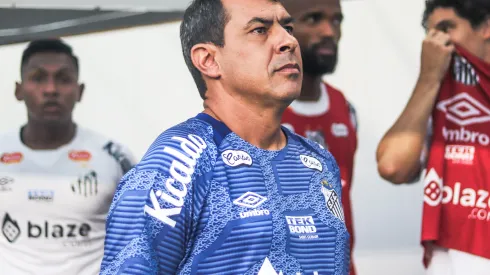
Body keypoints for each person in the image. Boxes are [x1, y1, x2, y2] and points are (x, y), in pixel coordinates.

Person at [99, 0, 350, 274]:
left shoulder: (318, 160)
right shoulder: (178, 159)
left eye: (288, 27)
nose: (288, 41)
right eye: (259, 30)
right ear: (209, 60)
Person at [0, 39, 135, 275]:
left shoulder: (115, 156)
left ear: (80, 91)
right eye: (38, 78)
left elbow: (140, 238)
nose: (51, 89)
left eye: (63, 79)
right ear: (18, 90)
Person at [376, 0, 490, 274]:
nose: (435, 42)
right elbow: (392, 166)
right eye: (430, 33)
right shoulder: (437, 93)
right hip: (449, 258)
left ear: (486, 26)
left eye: (446, 28)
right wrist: (428, 79)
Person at [280, 1, 358, 274]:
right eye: (313, 19)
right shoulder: (258, 112)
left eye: (336, 21)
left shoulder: (344, 108)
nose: (329, 31)